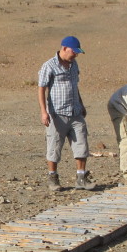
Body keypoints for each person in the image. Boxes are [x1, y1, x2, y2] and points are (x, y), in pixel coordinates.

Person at [38, 36, 94, 191]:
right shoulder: (49, 66)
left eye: (77, 53)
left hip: (75, 112)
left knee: (81, 144)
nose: (75, 55)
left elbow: (75, 86)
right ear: (64, 48)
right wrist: (44, 112)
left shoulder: (74, 65)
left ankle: (81, 178)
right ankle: (53, 178)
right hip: (57, 113)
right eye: (73, 52)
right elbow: (41, 89)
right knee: (54, 145)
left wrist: (81, 104)